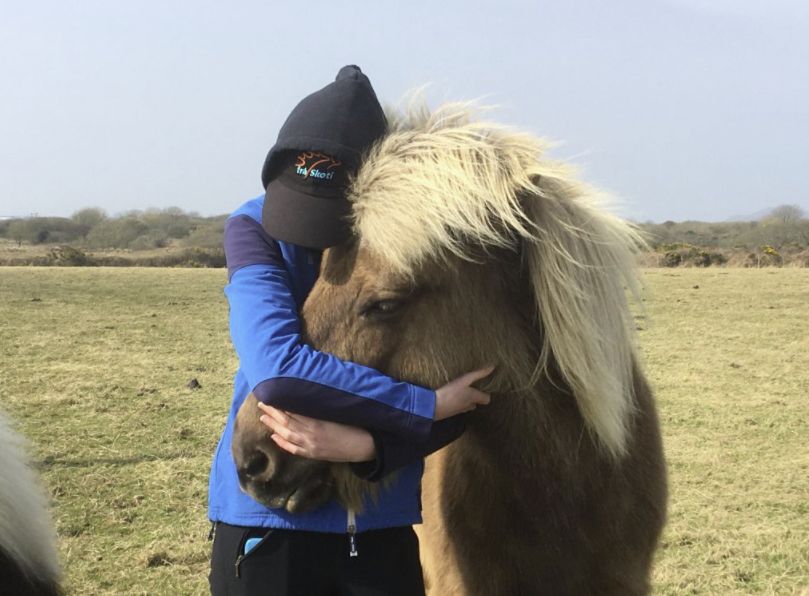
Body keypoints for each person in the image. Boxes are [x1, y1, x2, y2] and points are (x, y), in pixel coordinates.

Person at [208, 65, 492, 596]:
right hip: (271, 526)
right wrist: (424, 407)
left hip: (382, 524)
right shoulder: (251, 229)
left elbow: (469, 394)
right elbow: (275, 370)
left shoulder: (412, 249)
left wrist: (366, 447)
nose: (302, 233)